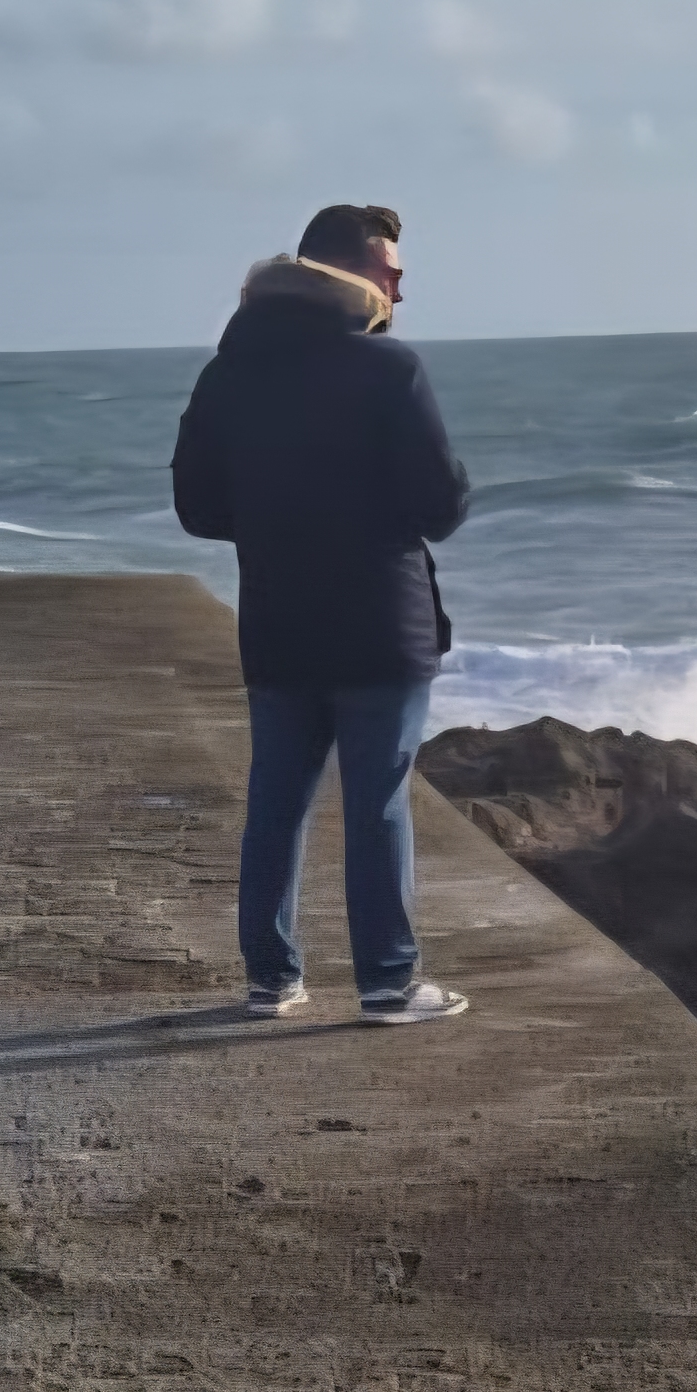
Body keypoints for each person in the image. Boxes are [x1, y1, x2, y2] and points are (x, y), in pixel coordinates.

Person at [172, 202, 471, 1024]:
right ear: (344, 270)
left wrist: (279, 519)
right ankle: (387, 983)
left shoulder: (227, 373)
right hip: (381, 623)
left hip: (279, 620)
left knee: (276, 801)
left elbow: (197, 509)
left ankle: (271, 980)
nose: (399, 291)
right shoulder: (389, 369)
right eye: (389, 272)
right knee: (377, 802)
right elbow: (439, 506)